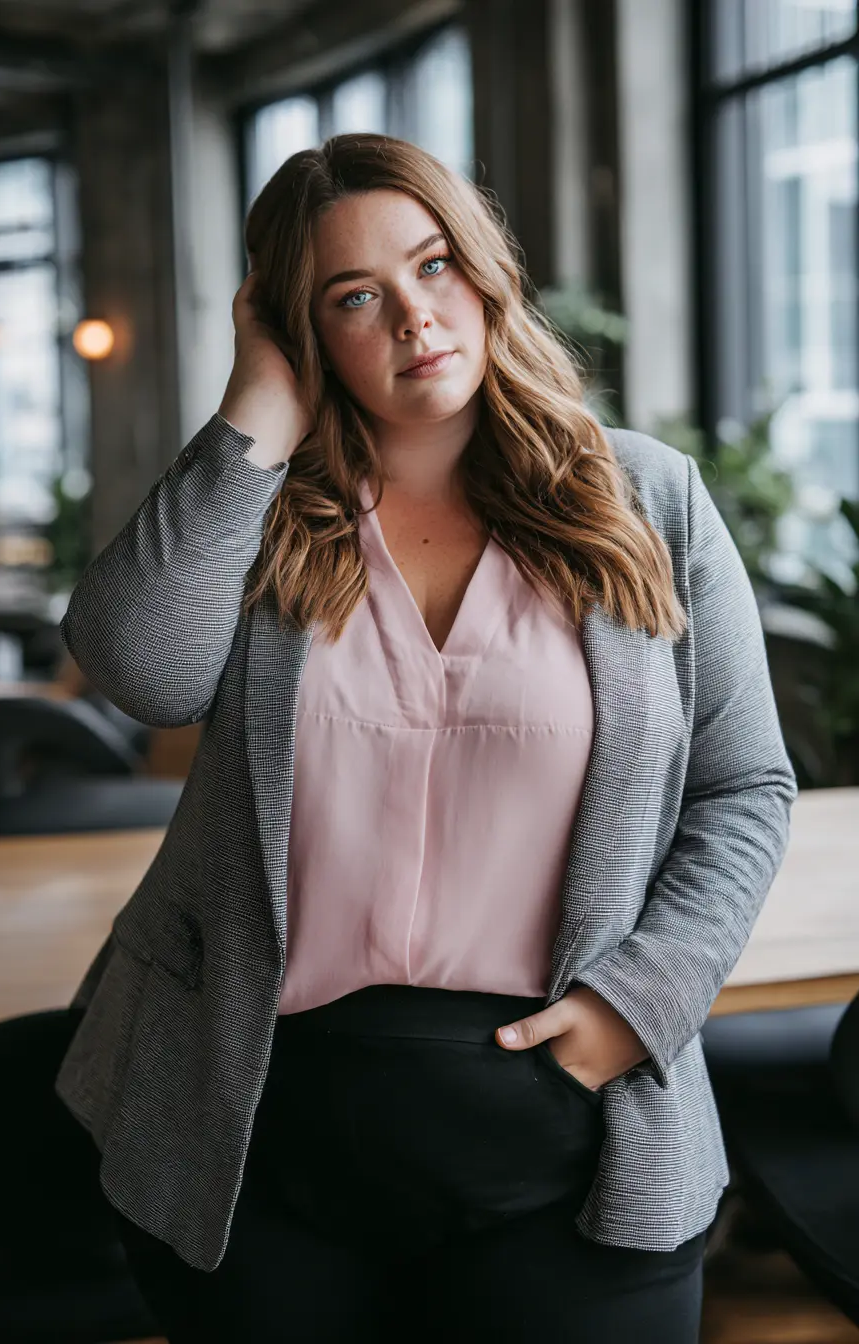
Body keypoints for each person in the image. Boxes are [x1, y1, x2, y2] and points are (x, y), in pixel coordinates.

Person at [53, 133, 798, 1342]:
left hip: (566, 1124)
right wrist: (255, 406)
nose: (413, 318)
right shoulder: (255, 517)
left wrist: (641, 1001)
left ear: (485, 270)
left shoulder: (645, 501)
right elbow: (138, 671)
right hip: (255, 1128)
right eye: (355, 297)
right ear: (301, 330)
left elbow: (743, 785)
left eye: (435, 265)